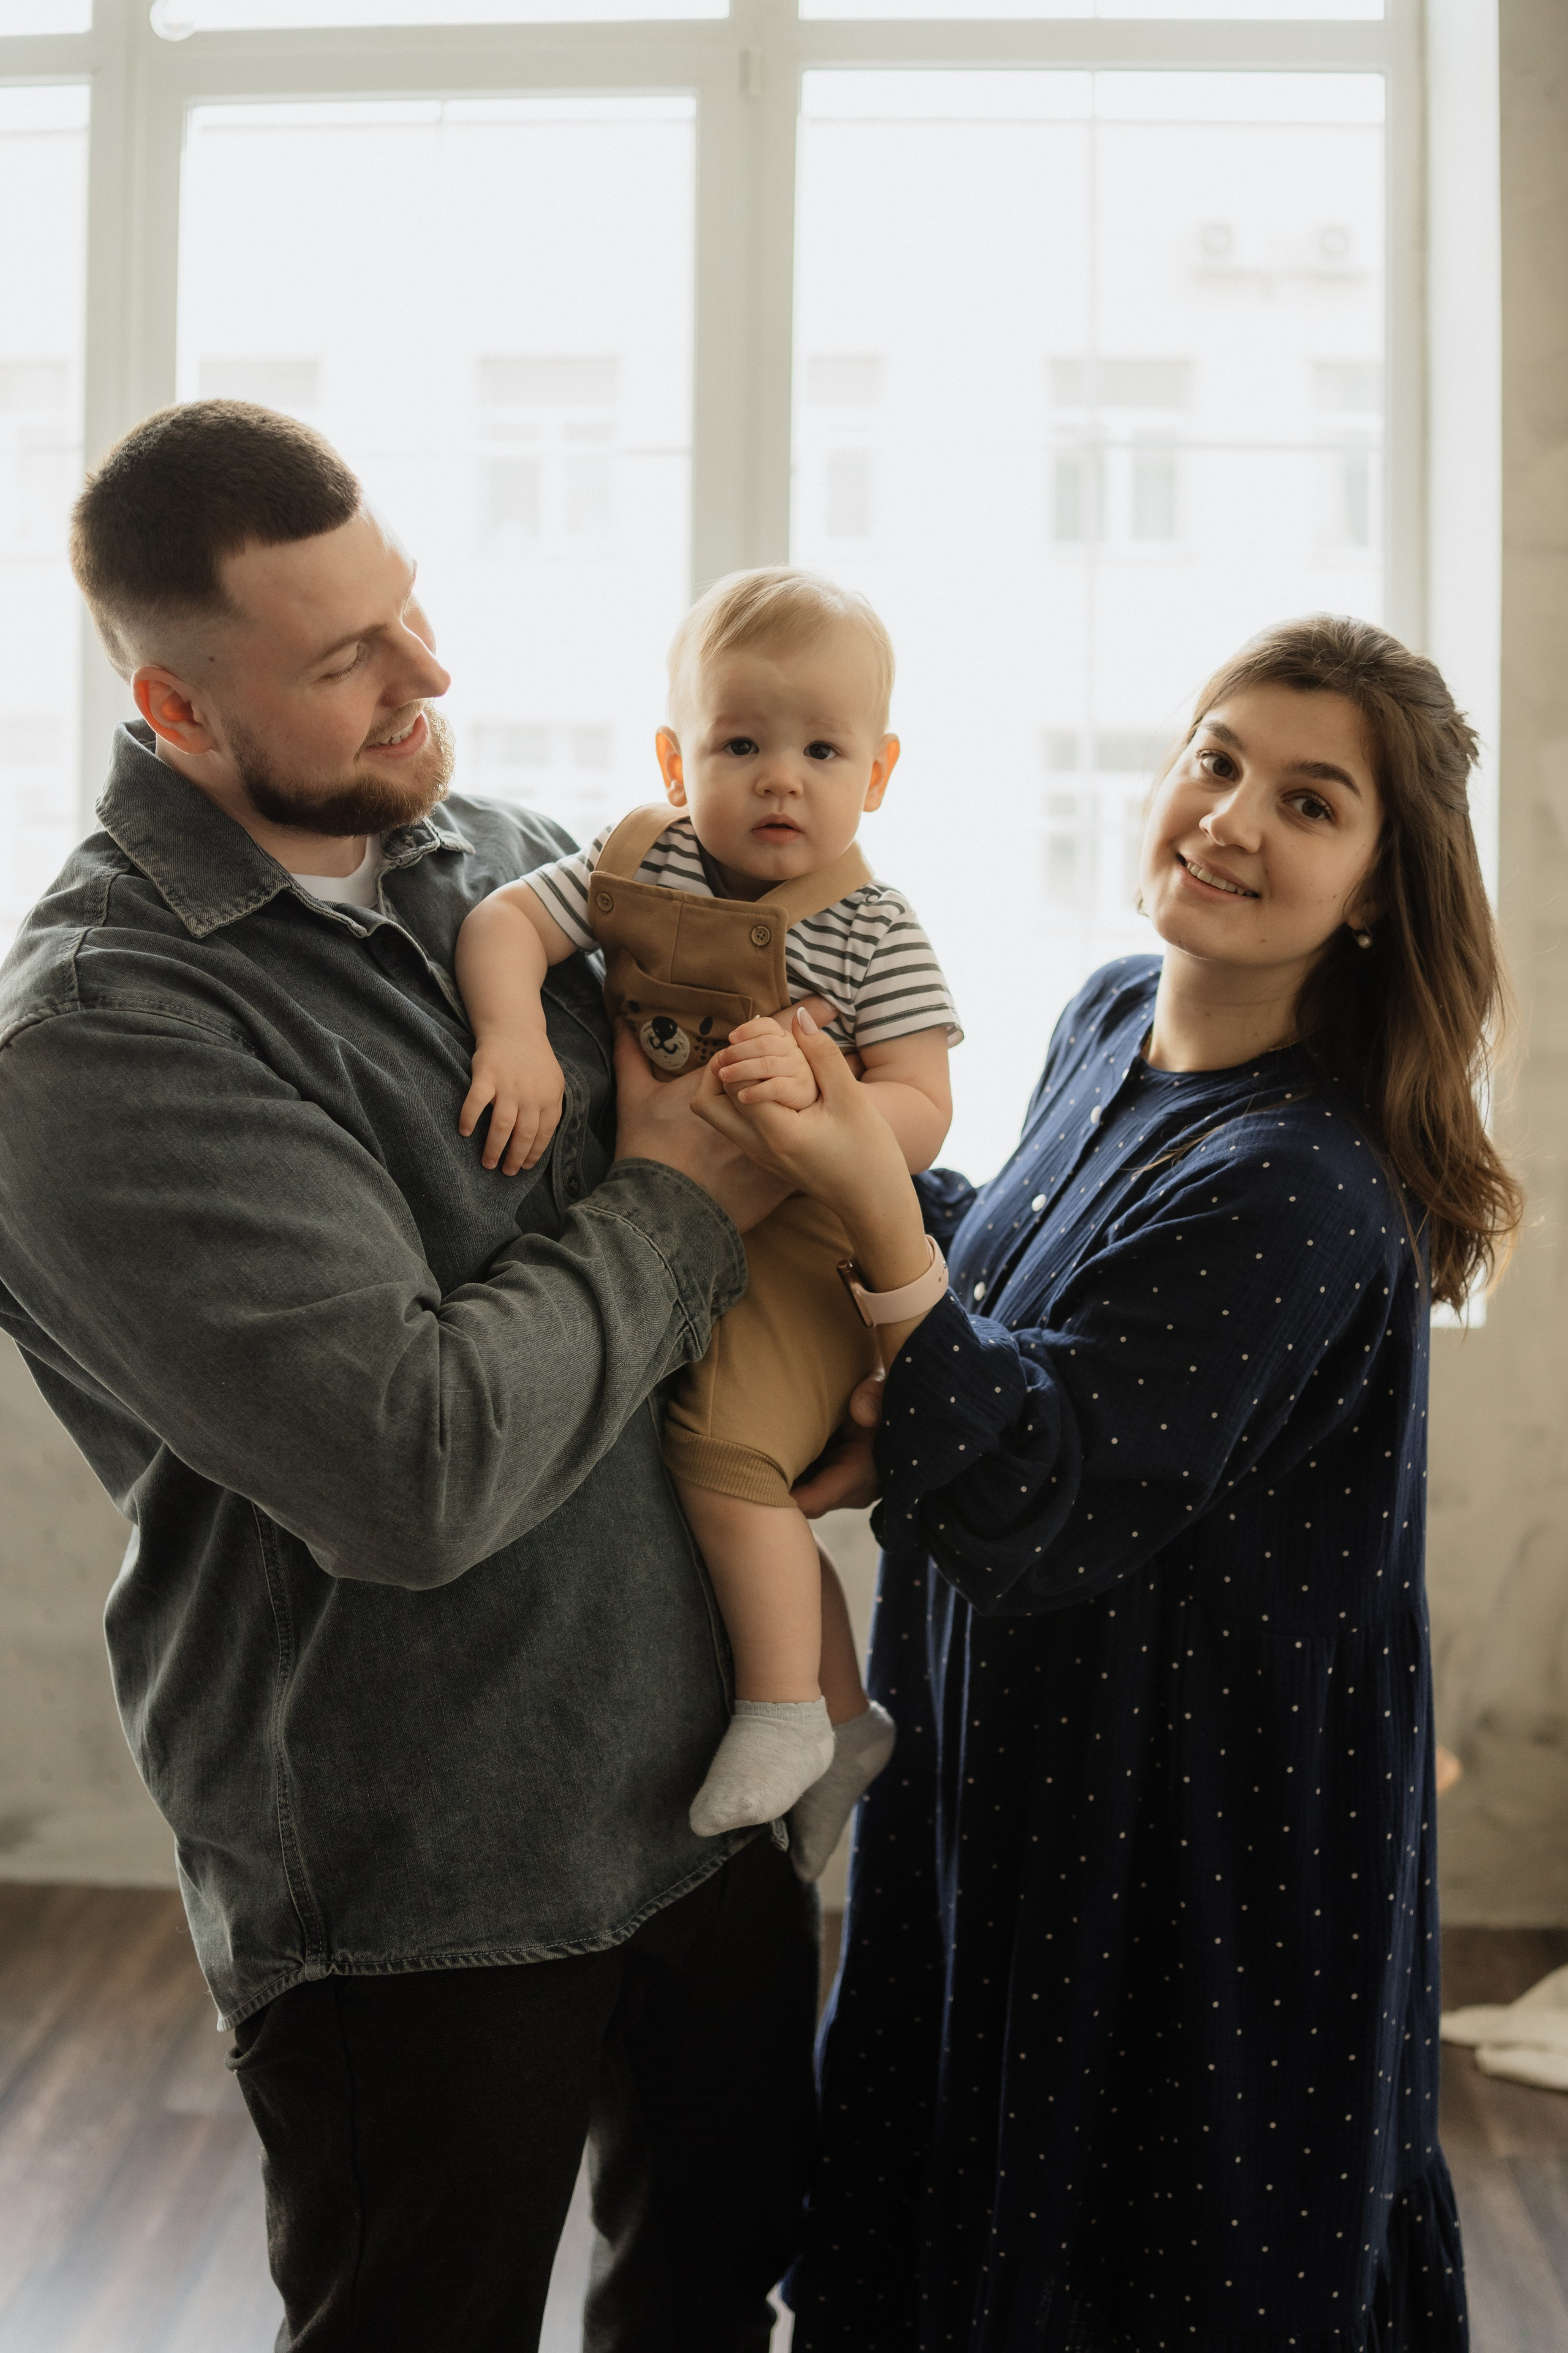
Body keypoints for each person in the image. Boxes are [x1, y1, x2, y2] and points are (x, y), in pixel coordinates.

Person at [0, 399, 824, 2353]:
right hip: (419, 1869)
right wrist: (684, 1194)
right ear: (179, 711)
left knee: (709, 2306)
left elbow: (796, 1128)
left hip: (700, 1795)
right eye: (346, 658)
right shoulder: (97, 1036)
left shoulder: (523, 863)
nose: (427, 674)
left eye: (414, 612)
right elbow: (414, 1466)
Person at [696, 615, 1523, 2351]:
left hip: (1181, 1825)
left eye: (1309, 802)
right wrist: (858, 1186)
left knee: (1147, 2243)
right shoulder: (1111, 1016)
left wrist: (866, 1210)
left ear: (1376, 886)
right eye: (1216, 760)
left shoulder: (1296, 1180)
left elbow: (1035, 1490)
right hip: (1007, 1764)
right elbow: (1023, 1282)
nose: (1230, 817)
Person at [452, 568, 958, 1867]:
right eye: (741, 744)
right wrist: (515, 1034)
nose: (780, 778)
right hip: (666, 1224)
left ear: (878, 773)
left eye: (820, 749)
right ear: (677, 760)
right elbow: (507, 920)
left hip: (799, 1245)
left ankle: (784, 1708)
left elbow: (924, 1107)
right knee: (743, 1484)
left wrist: (834, 1115)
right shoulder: (645, 861)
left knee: (727, 1459)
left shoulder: (870, 932)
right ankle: (846, 1715)